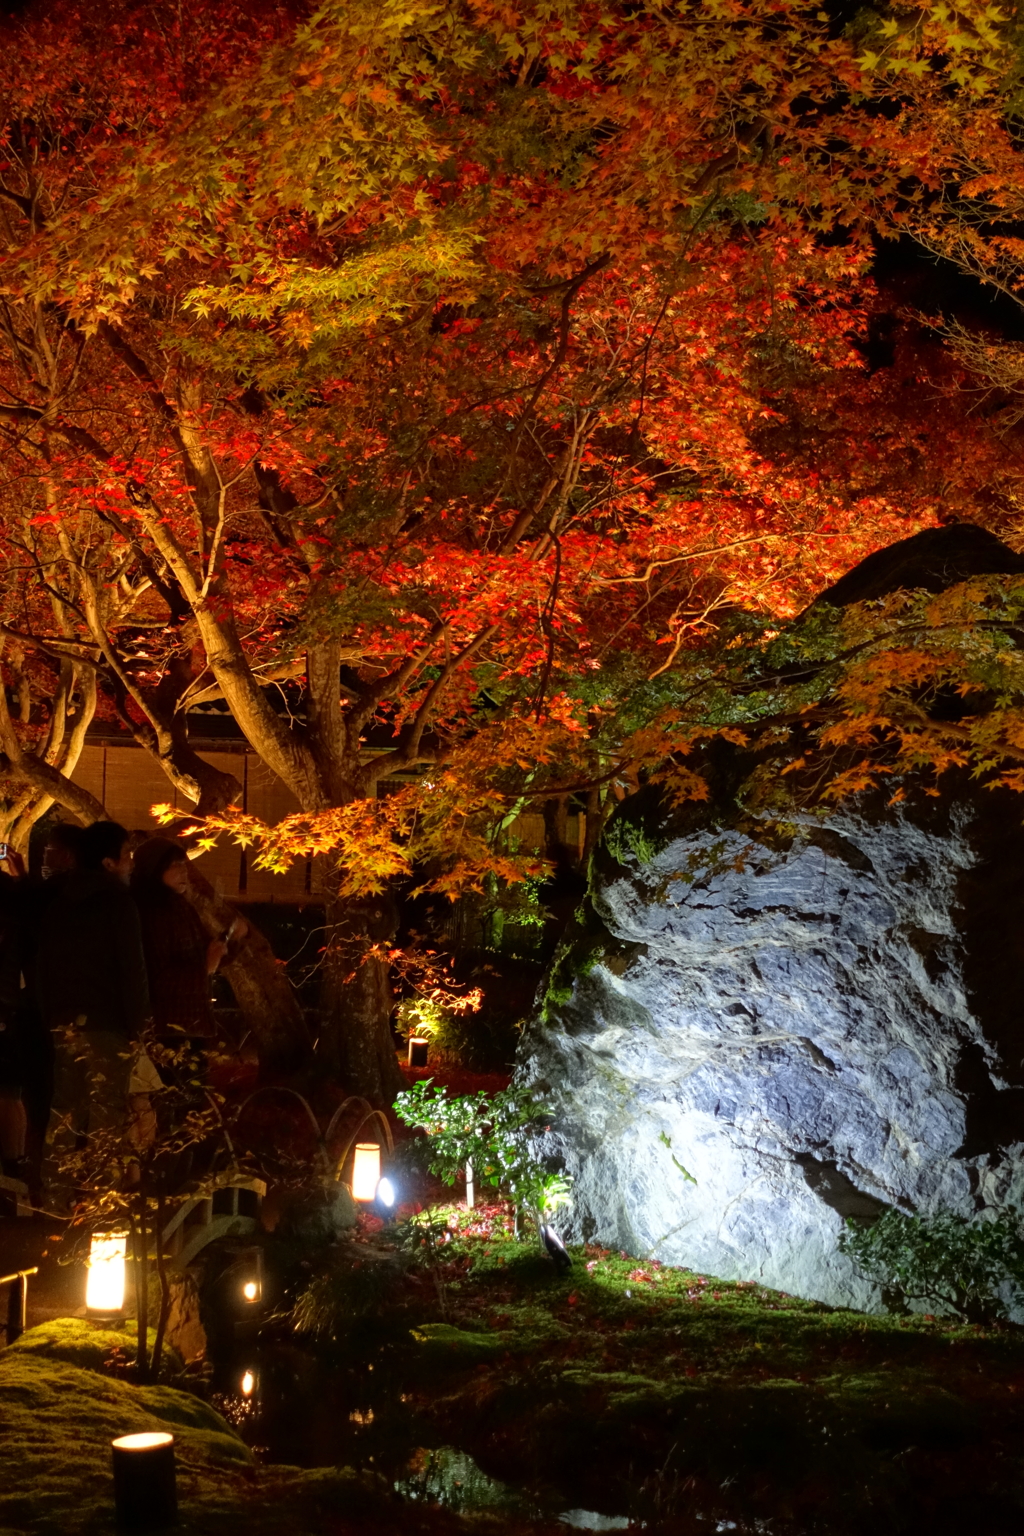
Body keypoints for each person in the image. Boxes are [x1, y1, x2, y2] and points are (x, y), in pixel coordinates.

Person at [37, 821, 153, 1150]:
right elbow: (133, 970)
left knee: (64, 1112)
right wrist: (140, 1026)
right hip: (108, 1024)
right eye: (127, 854)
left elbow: (43, 966)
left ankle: (54, 1195)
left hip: (64, 1022)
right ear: (108, 863)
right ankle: (102, 1196)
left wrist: (51, 1017)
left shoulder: (60, 903)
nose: (131, 862)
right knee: (107, 1114)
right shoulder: (119, 903)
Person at [129, 838, 234, 1052]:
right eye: (174, 865)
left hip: (192, 1023)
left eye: (183, 864)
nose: (183, 871)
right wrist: (205, 966)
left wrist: (232, 941)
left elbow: (206, 955)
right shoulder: (152, 914)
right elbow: (158, 978)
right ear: (154, 870)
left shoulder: (182, 907)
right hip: (167, 1027)